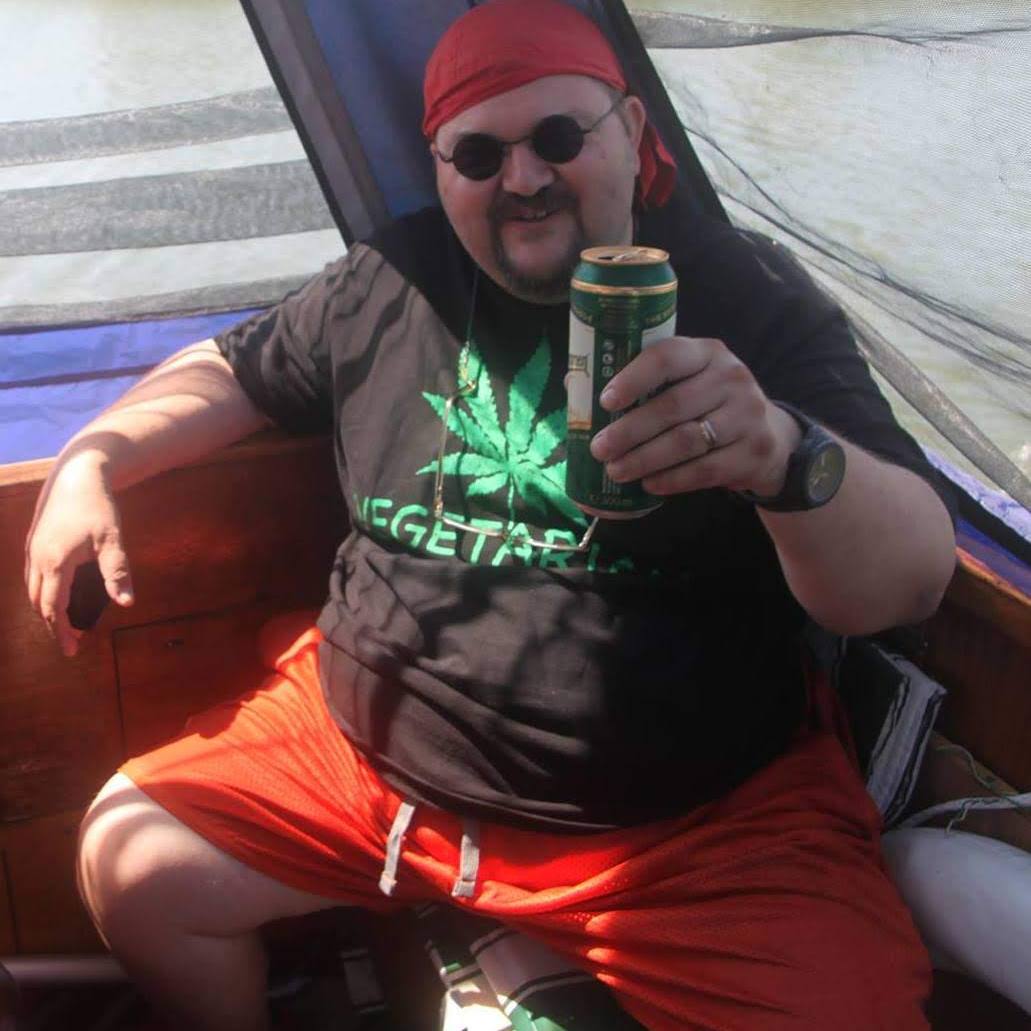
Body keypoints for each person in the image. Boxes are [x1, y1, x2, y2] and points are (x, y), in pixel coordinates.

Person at [24, 1, 957, 1028]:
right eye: (478, 154)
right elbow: (230, 369)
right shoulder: (390, 277)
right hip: (373, 759)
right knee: (132, 865)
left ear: (632, 133)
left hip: (685, 827)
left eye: (558, 136)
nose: (522, 178)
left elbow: (910, 579)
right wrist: (94, 454)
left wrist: (781, 453)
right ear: (439, 169)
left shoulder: (747, 293)